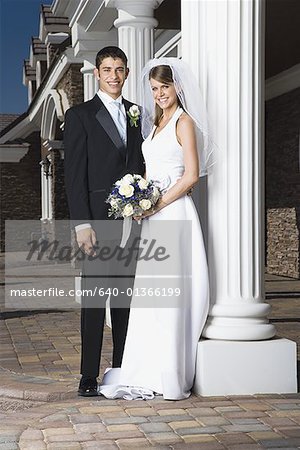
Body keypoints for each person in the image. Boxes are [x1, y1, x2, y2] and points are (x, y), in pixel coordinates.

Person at [99, 57, 214, 400]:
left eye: (165, 87)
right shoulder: (155, 124)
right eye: (154, 89)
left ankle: (169, 373)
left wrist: (156, 203)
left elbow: (190, 176)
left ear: (177, 87)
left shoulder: (184, 122)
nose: (160, 94)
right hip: (153, 217)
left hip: (175, 214)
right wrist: (137, 200)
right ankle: (146, 367)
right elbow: (150, 171)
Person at [64, 46, 144, 396]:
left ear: (126, 73)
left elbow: (139, 163)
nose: (114, 75)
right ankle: (88, 376)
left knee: (125, 299)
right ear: (97, 73)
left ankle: (123, 366)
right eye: (107, 69)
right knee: (95, 301)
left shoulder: (136, 113)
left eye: (120, 69)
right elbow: (73, 175)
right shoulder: (80, 115)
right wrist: (82, 223)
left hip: (131, 221)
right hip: (96, 223)